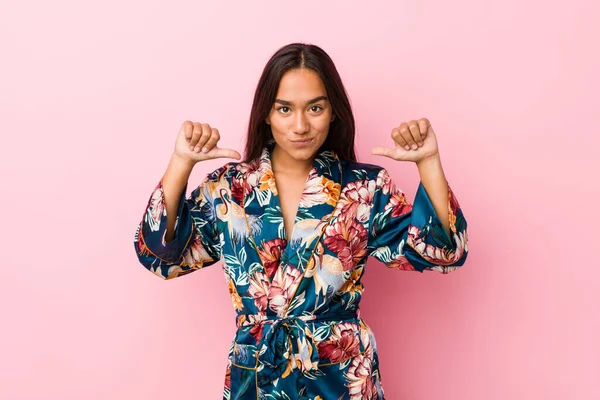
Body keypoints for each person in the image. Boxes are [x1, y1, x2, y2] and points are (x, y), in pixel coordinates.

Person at [133, 42, 469, 400]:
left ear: (333, 111)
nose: (300, 125)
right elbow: (160, 258)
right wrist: (181, 162)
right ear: (266, 113)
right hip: (258, 378)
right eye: (284, 109)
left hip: (341, 379)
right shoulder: (229, 188)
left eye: (315, 107)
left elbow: (441, 253)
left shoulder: (365, 187)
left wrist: (428, 162)